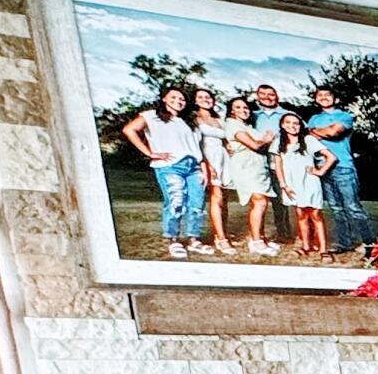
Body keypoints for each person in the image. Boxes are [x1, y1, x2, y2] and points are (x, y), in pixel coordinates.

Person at [118, 86, 205, 259]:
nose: (178, 102)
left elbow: (197, 147)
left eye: (182, 99)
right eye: (173, 97)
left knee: (197, 204)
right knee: (176, 202)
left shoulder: (189, 121)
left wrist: (203, 167)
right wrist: (149, 153)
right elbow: (129, 130)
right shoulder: (152, 116)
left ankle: (194, 239)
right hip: (170, 165)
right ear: (164, 98)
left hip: (193, 166)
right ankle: (173, 240)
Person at [305, 84, 369, 255]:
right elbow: (309, 135)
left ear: (335, 98)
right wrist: (321, 130)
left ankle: (370, 244)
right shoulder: (314, 119)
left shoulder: (344, 115)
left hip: (343, 167)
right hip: (323, 169)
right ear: (315, 99)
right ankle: (344, 243)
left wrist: (316, 132)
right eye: (320, 95)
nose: (323, 97)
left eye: (328, 95)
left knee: (352, 207)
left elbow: (334, 133)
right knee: (336, 208)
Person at [219, 93, 276, 256]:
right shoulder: (232, 124)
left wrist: (263, 142)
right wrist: (267, 140)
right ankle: (257, 242)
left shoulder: (249, 127)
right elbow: (255, 145)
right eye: (238, 107)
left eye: (245, 107)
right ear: (231, 112)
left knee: (260, 202)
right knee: (259, 201)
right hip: (245, 166)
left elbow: (258, 146)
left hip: (258, 166)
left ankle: (258, 238)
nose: (243, 110)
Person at [275, 111, 328, 259]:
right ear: (282, 125)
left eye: (296, 123)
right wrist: (283, 184)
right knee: (300, 214)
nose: (292, 126)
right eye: (288, 123)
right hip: (292, 184)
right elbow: (278, 165)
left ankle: (324, 249)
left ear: (300, 126)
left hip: (309, 182)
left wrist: (320, 171)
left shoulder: (309, 140)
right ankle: (306, 246)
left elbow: (330, 157)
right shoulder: (279, 143)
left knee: (315, 214)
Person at [194, 89, 237, 255]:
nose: (206, 100)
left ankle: (220, 232)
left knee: (222, 199)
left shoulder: (219, 119)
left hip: (222, 158)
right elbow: (196, 143)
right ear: (196, 101)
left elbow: (225, 140)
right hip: (206, 157)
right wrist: (206, 163)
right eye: (201, 97)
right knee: (216, 197)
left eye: (208, 97)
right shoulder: (194, 118)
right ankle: (221, 239)